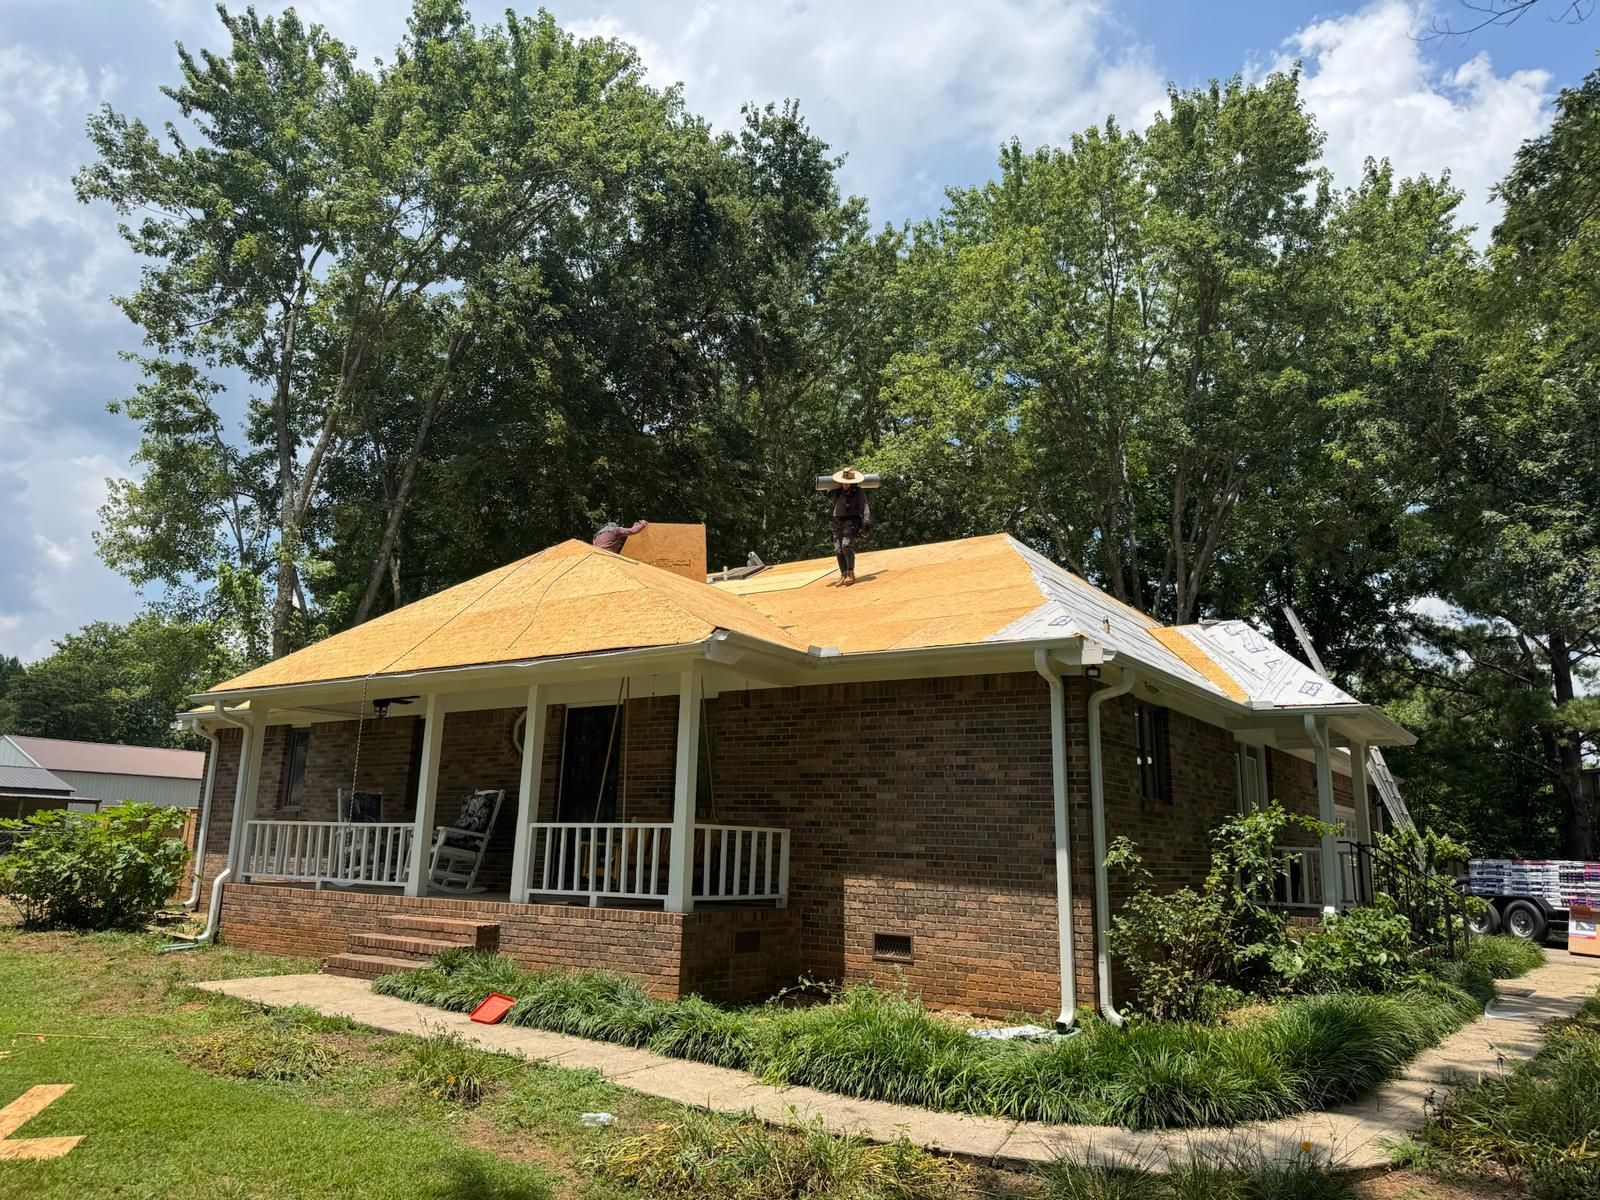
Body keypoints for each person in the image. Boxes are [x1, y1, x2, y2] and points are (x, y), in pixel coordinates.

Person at [824, 467, 872, 584]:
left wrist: (866, 522)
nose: (845, 484)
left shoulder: (858, 492)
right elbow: (827, 495)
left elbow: (864, 506)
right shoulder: (837, 491)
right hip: (837, 522)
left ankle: (851, 573)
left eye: (848, 482)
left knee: (846, 546)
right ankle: (843, 574)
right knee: (838, 549)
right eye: (843, 481)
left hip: (851, 522)